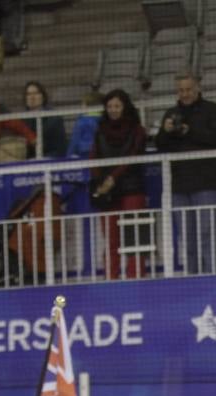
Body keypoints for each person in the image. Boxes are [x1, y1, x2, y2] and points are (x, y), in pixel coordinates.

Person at [155, 73, 216, 275]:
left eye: (188, 89)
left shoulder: (212, 110)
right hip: (178, 184)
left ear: (197, 89)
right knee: (186, 236)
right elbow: (160, 145)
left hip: (205, 181)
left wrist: (189, 131)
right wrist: (165, 131)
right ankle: (192, 277)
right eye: (180, 90)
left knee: (207, 232)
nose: (184, 94)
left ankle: (212, 275)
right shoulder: (171, 113)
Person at [90, 88, 150, 280]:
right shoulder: (99, 131)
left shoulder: (137, 130)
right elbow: (94, 158)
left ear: (125, 107)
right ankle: (111, 280)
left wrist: (112, 179)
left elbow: (132, 157)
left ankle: (137, 279)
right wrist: (101, 182)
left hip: (132, 189)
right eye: (109, 106)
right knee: (111, 241)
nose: (113, 110)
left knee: (134, 240)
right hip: (108, 193)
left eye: (117, 106)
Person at [22, 81, 67, 159]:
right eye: (28, 94)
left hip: (51, 162)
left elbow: (60, 148)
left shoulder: (55, 118)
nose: (32, 97)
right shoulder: (22, 121)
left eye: (36, 93)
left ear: (43, 96)